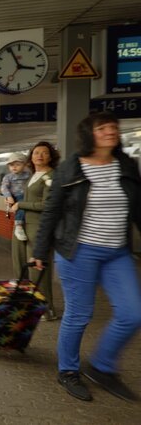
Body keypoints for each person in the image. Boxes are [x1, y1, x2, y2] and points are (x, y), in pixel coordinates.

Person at [33, 112, 141, 402]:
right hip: (78, 251)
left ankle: (101, 366)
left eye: (113, 127)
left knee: (133, 313)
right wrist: (40, 252)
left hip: (117, 252)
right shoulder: (71, 168)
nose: (110, 132)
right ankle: (68, 370)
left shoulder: (126, 165)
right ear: (88, 134)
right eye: (102, 128)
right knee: (79, 314)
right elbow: (52, 211)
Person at [9, 142, 60, 320]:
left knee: (38, 270)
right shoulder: (32, 175)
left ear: (51, 156)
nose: (40, 156)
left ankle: (46, 309)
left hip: (38, 228)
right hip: (22, 225)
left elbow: (48, 205)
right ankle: (27, 304)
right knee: (20, 264)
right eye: (36, 152)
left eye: (44, 153)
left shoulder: (51, 176)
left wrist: (20, 204)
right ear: (31, 156)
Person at [1, 152, 32, 241]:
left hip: (27, 195)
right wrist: (8, 196)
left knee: (23, 206)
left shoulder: (28, 175)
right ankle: (18, 225)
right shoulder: (8, 177)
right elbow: (4, 187)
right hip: (15, 197)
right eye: (11, 165)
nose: (14, 167)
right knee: (21, 207)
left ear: (25, 165)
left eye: (17, 164)